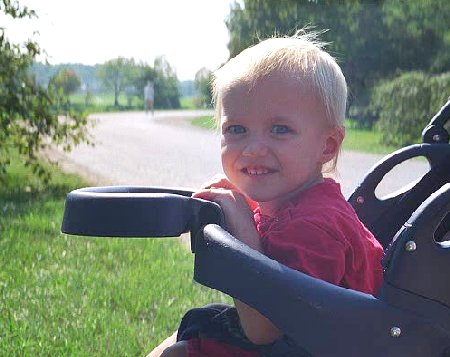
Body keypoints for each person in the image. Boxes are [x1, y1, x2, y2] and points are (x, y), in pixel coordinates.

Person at [148, 31, 384, 357]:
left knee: (179, 352)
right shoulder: (286, 204)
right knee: (189, 332)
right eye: (236, 129)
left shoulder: (315, 226)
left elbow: (264, 329)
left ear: (327, 145)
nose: (254, 149)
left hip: (313, 346)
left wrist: (242, 228)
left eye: (280, 129)